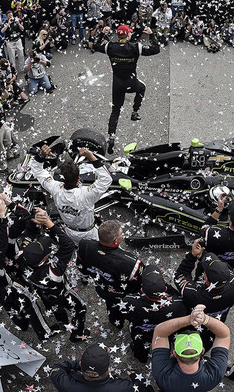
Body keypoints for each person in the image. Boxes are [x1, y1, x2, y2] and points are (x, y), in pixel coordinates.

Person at [21, 207, 89, 343]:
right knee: (80, 308)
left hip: (43, 292)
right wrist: (48, 223)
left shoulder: (23, 257)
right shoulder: (54, 269)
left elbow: (28, 234)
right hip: (63, 294)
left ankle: (62, 321)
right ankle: (76, 333)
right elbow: (68, 245)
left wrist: (35, 220)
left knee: (54, 306)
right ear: (44, 259)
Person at [92, 24, 160, 154]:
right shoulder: (135, 47)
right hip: (131, 82)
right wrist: (151, 35)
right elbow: (156, 49)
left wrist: (102, 33)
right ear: (128, 35)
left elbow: (94, 45)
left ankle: (111, 136)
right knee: (142, 88)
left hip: (117, 84)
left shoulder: (110, 47)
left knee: (115, 111)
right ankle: (134, 112)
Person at [29, 146, 111, 245]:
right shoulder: (86, 194)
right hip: (89, 234)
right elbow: (106, 179)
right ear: (79, 178)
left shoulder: (55, 188)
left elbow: (37, 171)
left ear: (62, 178)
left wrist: (41, 155)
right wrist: (90, 155)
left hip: (69, 231)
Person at [77, 220, 143, 329]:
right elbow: (139, 282)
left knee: (112, 307)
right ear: (116, 240)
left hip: (103, 290)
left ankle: (116, 322)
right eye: (121, 233)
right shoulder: (129, 262)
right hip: (124, 294)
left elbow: (81, 265)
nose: (122, 235)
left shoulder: (85, 245)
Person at [175, 244, 234, 351]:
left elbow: (180, 275)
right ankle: (205, 348)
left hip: (195, 318)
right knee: (209, 338)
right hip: (218, 319)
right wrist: (203, 256)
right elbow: (224, 271)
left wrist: (192, 256)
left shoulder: (192, 293)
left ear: (205, 279)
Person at [151, 304, 231, 392]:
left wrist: (189, 319)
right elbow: (224, 335)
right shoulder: (215, 373)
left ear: (174, 353)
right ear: (203, 351)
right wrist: (204, 319)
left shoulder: (162, 376)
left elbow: (160, 332)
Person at [120, 265, 189, 363]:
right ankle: (165, 359)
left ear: (142, 289)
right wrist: (167, 288)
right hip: (165, 331)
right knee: (166, 344)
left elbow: (126, 315)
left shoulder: (129, 301)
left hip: (142, 330)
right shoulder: (178, 304)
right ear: (164, 289)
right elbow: (177, 297)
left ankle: (141, 358)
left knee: (140, 347)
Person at [49, 343, 152, 392]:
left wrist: (77, 365)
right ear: (108, 370)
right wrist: (135, 377)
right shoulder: (124, 387)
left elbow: (56, 369)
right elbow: (148, 390)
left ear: (81, 365)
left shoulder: (66, 385)